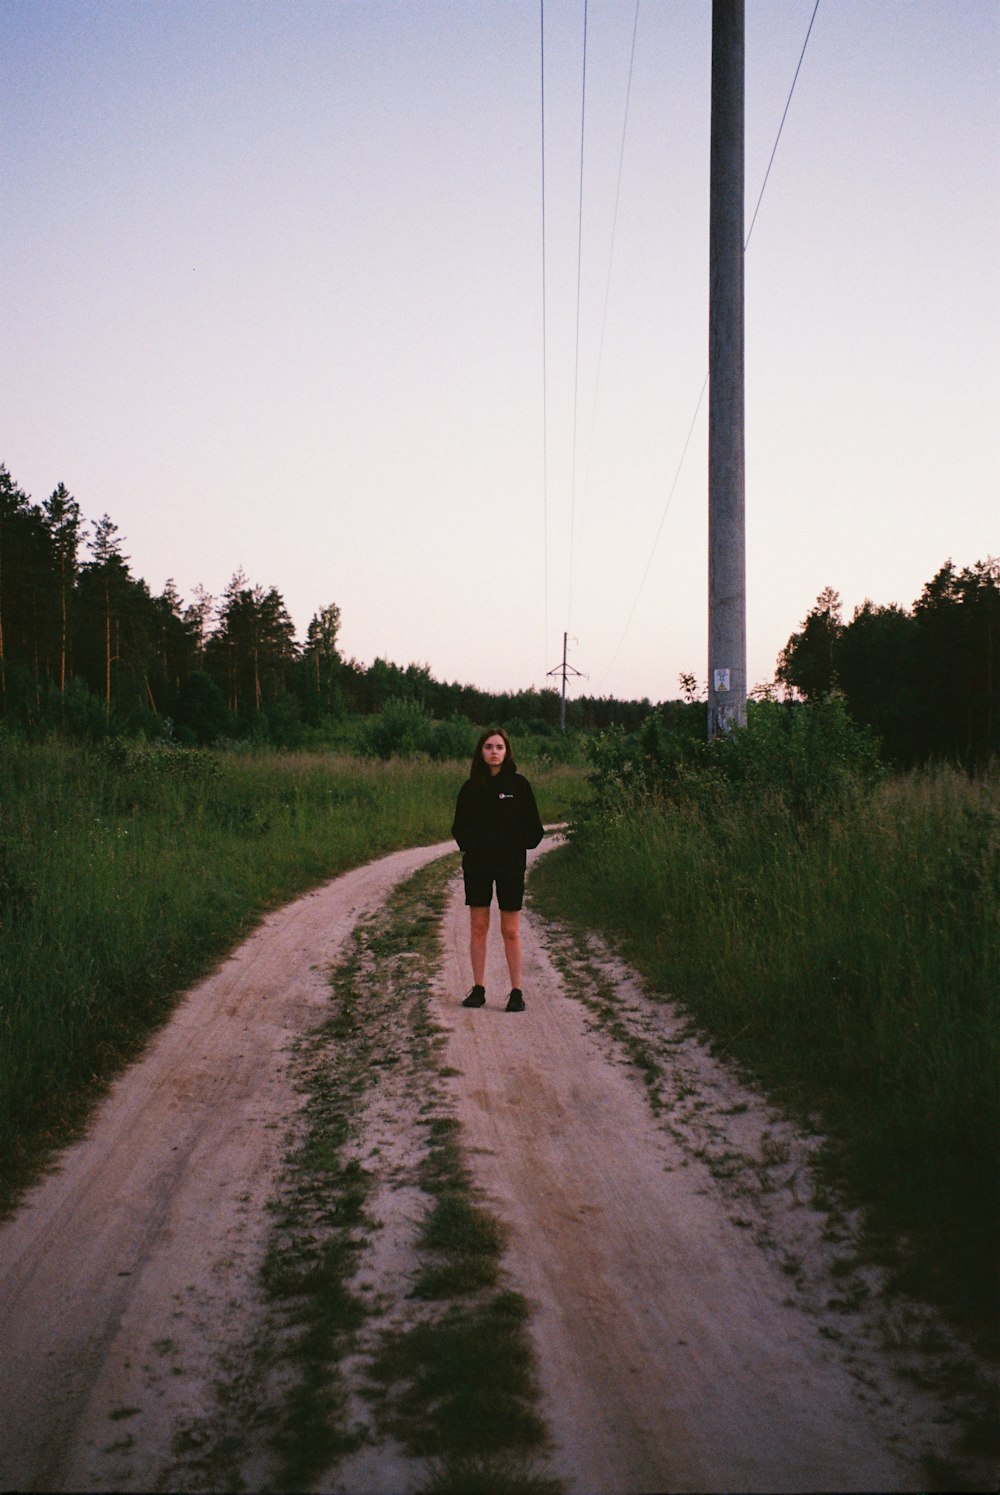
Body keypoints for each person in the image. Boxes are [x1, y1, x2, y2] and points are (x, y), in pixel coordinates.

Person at [451, 727, 544, 1012]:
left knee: (510, 930)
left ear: (507, 752)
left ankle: (516, 992)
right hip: (478, 865)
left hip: (510, 866)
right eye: (489, 747)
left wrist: (514, 843)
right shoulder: (471, 787)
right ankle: (478, 989)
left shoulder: (519, 786)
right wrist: (474, 845)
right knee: (479, 927)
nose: (494, 752)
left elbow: (535, 830)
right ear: (481, 751)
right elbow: (459, 829)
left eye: (499, 747)